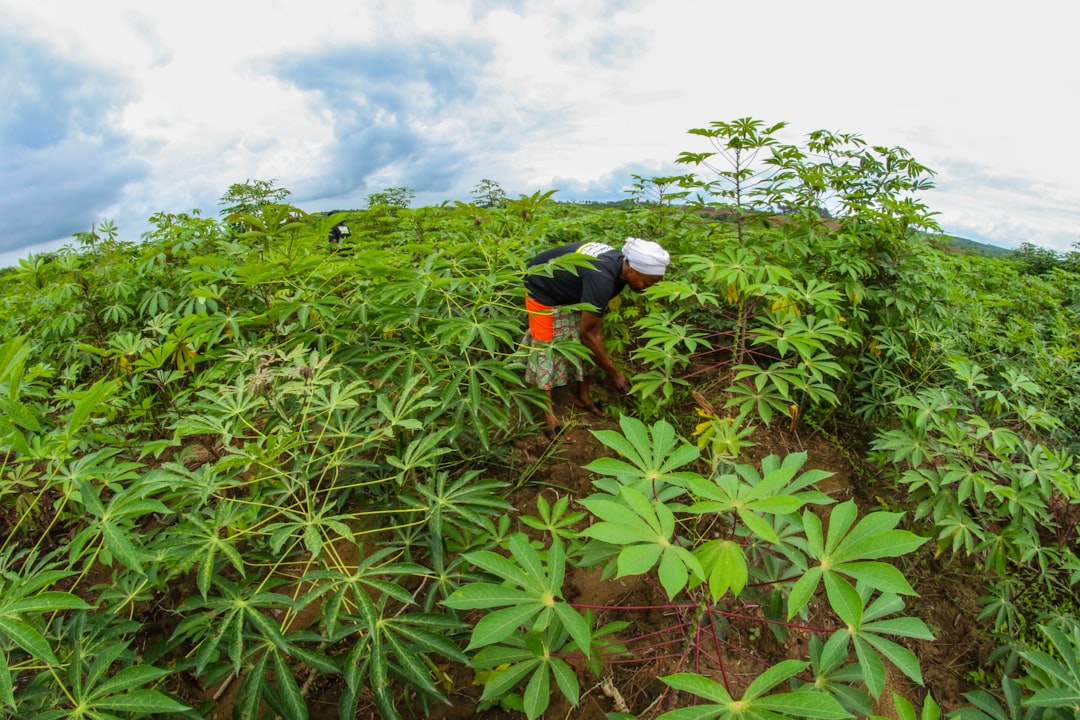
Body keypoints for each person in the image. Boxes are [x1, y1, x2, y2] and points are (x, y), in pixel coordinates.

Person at [523, 237, 670, 438]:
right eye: (646, 281)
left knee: (585, 343)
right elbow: (588, 336)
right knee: (546, 350)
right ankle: (547, 414)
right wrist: (614, 373)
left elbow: (593, 330)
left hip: (572, 290)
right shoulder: (603, 277)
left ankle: (582, 397)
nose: (647, 287)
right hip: (540, 284)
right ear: (631, 270)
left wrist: (597, 343)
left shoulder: (619, 270)